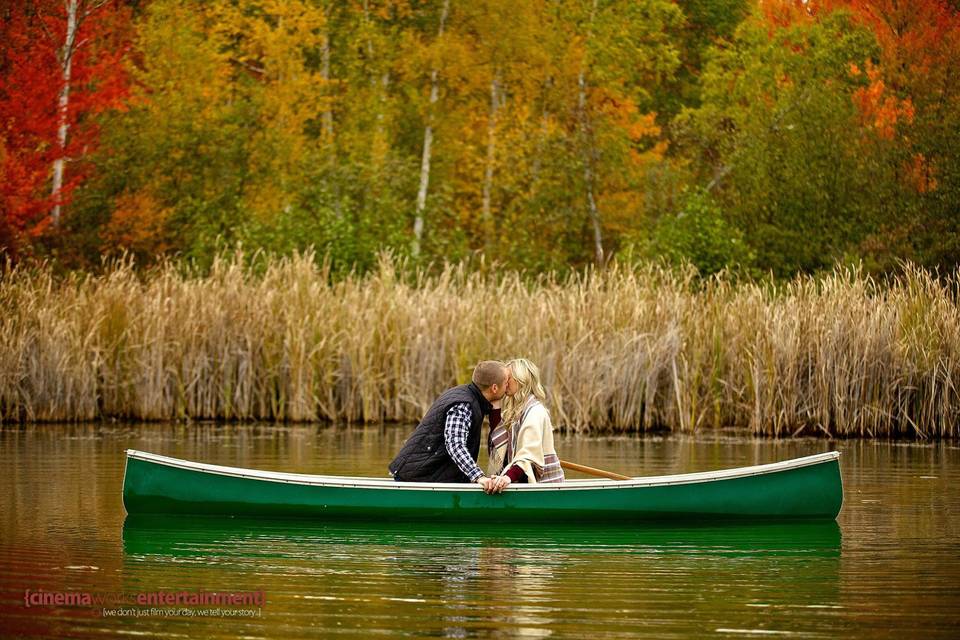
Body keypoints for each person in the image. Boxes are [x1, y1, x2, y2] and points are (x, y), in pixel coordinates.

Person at [389, 360, 514, 493]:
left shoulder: (469, 396)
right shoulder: (463, 404)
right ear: (494, 388)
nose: (508, 386)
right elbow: (455, 444)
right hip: (416, 478)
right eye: (506, 382)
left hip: (427, 475)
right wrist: (479, 477)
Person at [487, 358, 564, 491]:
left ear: (520, 380)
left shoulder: (535, 412)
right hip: (522, 478)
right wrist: (495, 403)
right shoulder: (517, 410)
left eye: (507, 378)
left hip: (545, 485)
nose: (503, 382)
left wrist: (506, 478)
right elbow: (500, 445)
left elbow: (528, 455)